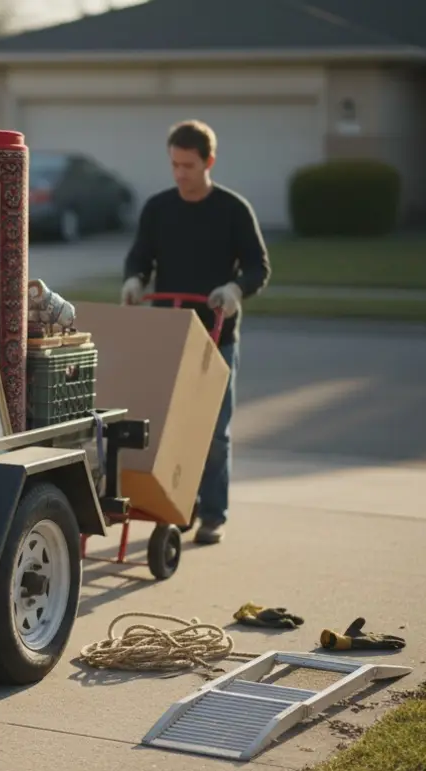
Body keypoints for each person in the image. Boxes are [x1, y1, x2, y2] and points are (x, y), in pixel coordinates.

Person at [119, 120, 270, 546]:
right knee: (167, 429)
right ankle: (176, 506)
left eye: (188, 165)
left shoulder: (233, 209)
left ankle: (212, 514)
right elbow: (139, 257)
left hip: (215, 335)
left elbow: (260, 266)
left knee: (214, 433)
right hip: (168, 334)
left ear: (209, 162)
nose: (180, 173)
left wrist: (235, 289)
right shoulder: (158, 208)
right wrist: (134, 279)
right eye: (174, 165)